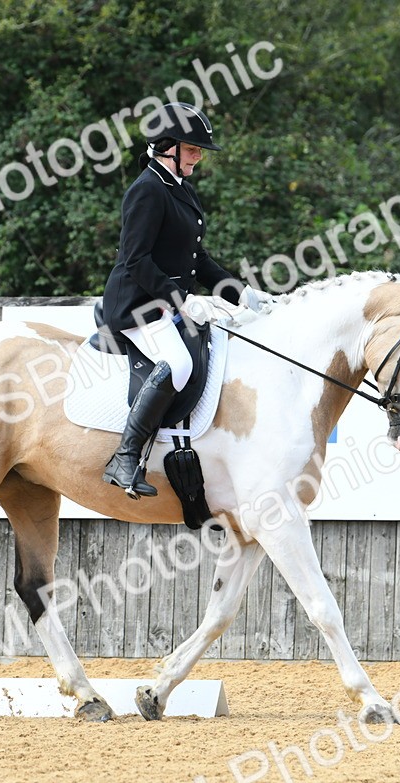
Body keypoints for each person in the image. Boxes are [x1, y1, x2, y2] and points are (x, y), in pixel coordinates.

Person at [101, 102, 274, 498]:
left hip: (167, 303)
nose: (198, 157)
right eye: (193, 149)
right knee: (177, 364)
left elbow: (199, 261)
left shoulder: (180, 190)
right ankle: (125, 458)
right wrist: (181, 300)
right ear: (168, 147)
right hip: (137, 305)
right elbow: (136, 260)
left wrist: (242, 292)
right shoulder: (146, 190)